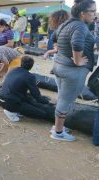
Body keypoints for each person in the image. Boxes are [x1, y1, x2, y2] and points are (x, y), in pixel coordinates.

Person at [51, 0, 96, 141]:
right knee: (65, 101)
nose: (95, 15)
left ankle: (57, 126)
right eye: (92, 11)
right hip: (72, 71)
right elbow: (76, 43)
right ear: (83, 14)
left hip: (59, 66)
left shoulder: (66, 23)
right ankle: (58, 132)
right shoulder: (81, 26)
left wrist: (64, 51)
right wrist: (78, 61)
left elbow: (54, 37)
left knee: (62, 99)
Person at [0, 56, 54, 122]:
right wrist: (47, 103)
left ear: (21, 63)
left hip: (2, 98)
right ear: (31, 66)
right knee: (42, 113)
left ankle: (16, 109)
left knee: (31, 101)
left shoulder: (13, 70)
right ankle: (11, 111)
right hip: (11, 103)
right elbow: (36, 95)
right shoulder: (29, 76)